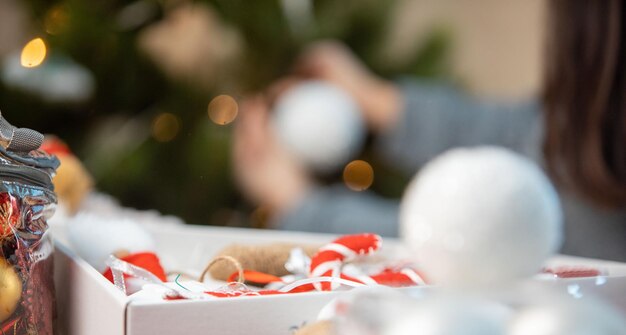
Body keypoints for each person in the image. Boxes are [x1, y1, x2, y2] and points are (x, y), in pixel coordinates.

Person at [232, 0, 626, 262]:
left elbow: (483, 244)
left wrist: (300, 206)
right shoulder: (595, 121)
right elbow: (550, 129)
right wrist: (380, 103)